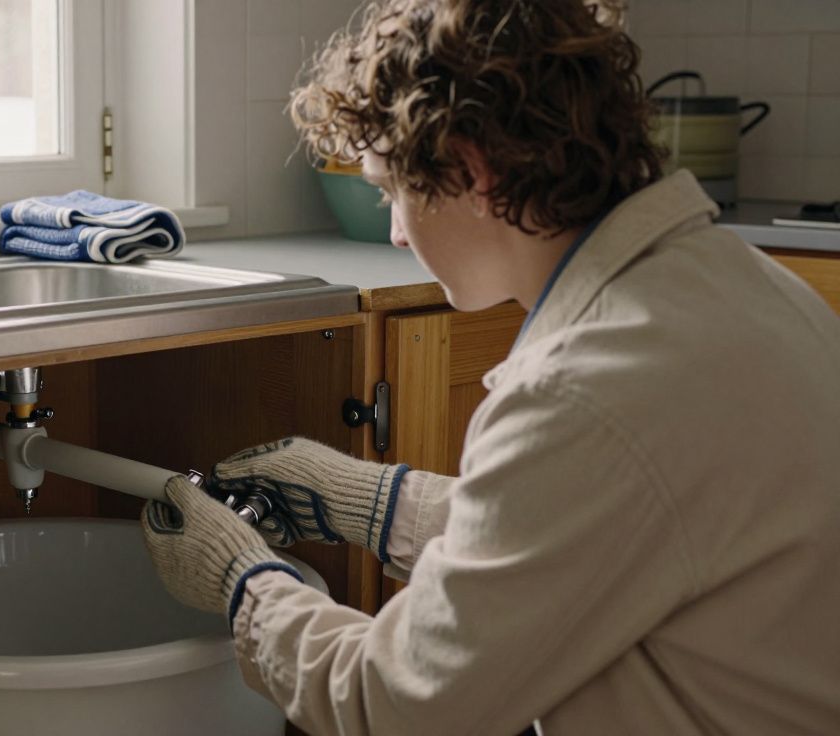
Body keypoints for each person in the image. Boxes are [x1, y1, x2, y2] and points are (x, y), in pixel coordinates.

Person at [139, 0, 840, 733]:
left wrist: (244, 582)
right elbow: (595, 527)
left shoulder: (588, 386)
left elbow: (399, 703)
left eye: (391, 192)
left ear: (470, 170)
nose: (395, 234)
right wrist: (372, 502)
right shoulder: (729, 283)